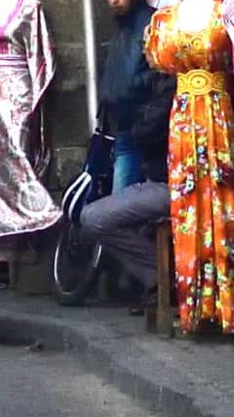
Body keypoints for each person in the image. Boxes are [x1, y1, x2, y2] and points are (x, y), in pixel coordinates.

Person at [80, 53, 175, 311]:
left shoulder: (171, 84)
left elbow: (147, 130)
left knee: (95, 217)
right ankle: (158, 280)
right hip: (164, 178)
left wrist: (134, 122)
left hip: (168, 184)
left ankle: (163, 277)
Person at [99, 0, 162, 193]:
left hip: (145, 127)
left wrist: (132, 90)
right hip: (123, 126)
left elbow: (162, 75)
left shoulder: (151, 24)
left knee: (122, 205)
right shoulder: (121, 25)